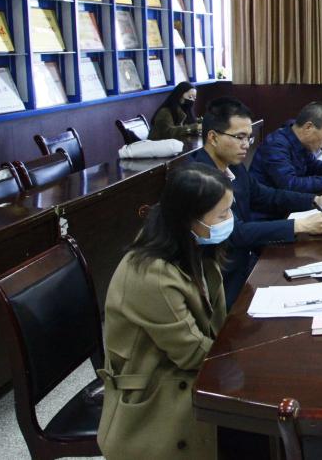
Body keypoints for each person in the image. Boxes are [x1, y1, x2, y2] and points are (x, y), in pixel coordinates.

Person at [98, 163, 231, 459]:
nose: (230, 220)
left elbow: (214, 323)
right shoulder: (153, 274)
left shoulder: (190, 243)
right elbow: (193, 354)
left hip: (179, 367)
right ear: (189, 219)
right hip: (156, 393)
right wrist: (243, 358)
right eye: (222, 215)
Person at [190, 97, 322, 306]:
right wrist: (298, 225)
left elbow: (265, 195)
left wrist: (313, 199)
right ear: (213, 137)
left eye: (248, 138)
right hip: (218, 275)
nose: (245, 145)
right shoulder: (198, 178)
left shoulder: (233, 166)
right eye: (239, 137)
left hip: (243, 259)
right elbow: (235, 233)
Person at [250, 102, 322, 194]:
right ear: (308, 127)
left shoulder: (298, 138)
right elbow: (290, 184)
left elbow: (312, 166)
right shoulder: (275, 146)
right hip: (268, 210)